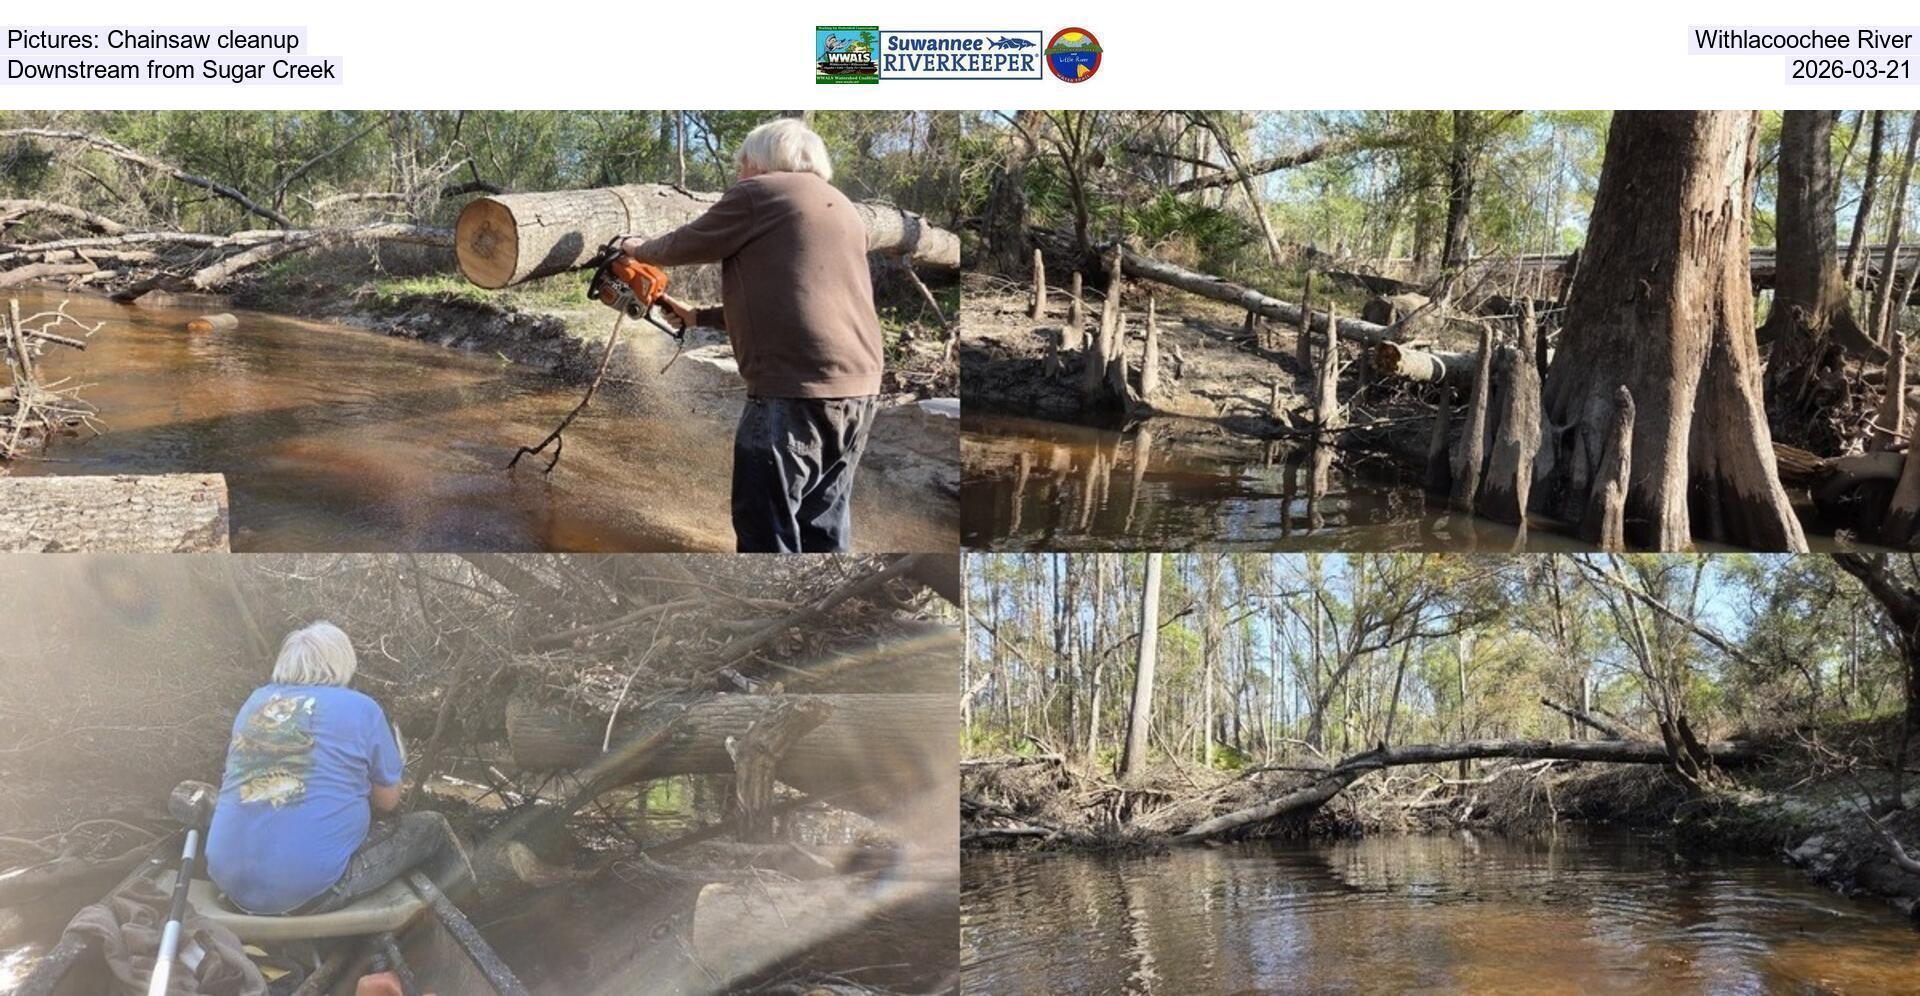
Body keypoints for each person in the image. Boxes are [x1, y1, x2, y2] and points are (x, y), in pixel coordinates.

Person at [621, 117, 883, 554]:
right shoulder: (843, 207)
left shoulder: (761, 192)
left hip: (792, 389)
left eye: (742, 164)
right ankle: (819, 612)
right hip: (860, 389)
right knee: (822, 524)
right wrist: (699, 316)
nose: (739, 174)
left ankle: (774, 614)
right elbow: (796, 300)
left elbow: (686, 244)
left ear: (762, 162)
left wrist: (635, 248)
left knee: (765, 530)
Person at [205, 622, 461, 915]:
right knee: (432, 827)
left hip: (230, 883)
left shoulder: (255, 703)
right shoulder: (362, 708)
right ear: (343, 662)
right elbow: (388, 802)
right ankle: (470, 913)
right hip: (306, 893)